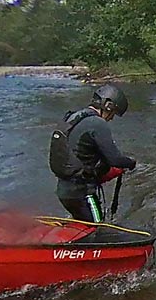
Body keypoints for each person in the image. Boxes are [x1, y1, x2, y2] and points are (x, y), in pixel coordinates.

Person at [49, 84, 137, 222]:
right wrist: (131, 163)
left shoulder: (72, 117)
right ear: (108, 106)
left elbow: (82, 154)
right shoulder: (98, 123)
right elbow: (115, 159)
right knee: (98, 227)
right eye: (113, 113)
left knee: (82, 223)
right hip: (83, 193)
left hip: (64, 191)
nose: (112, 118)